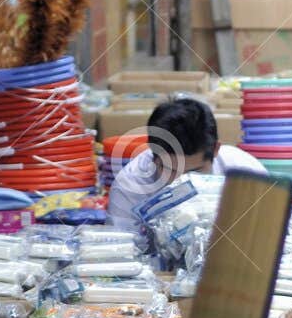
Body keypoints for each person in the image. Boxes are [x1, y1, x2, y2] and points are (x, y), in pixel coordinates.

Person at [106, 98, 266, 232]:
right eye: (170, 170)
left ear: (216, 149)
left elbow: (272, 229)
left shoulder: (245, 172)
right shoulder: (130, 186)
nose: (181, 182)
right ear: (153, 156)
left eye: (194, 172)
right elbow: (124, 252)